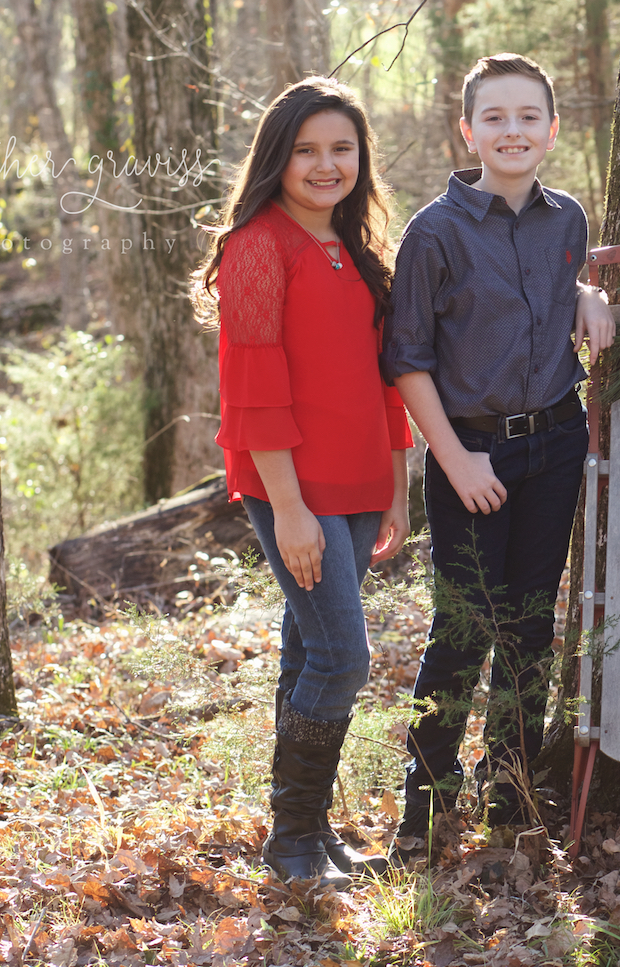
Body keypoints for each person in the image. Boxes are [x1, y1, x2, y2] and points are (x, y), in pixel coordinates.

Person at [382, 53, 614, 850]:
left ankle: (510, 799)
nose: (511, 131)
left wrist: (590, 296)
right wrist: (453, 460)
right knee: (463, 626)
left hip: (555, 442)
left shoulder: (568, 221)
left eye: (527, 117)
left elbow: (555, 292)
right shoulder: (434, 233)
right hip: (469, 453)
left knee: (529, 627)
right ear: (468, 129)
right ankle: (422, 807)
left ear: (551, 129)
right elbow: (407, 360)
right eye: (494, 117)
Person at [193, 78, 414, 887]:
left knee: (307, 652)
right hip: (293, 485)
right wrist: (287, 507)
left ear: (361, 158)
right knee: (343, 656)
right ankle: (290, 840)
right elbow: (251, 387)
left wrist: (396, 482)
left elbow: (383, 378)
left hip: (360, 481)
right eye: (307, 150)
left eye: (341, 149)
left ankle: (310, 837)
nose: (326, 165)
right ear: (277, 158)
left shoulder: (355, 249)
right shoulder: (259, 244)